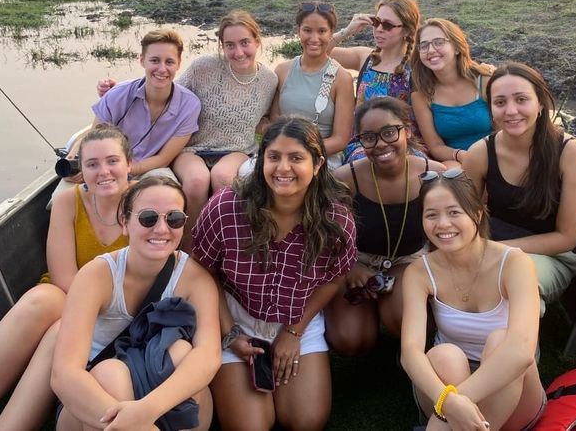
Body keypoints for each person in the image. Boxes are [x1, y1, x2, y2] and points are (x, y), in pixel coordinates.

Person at [0, 125, 132, 430]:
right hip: (67, 295)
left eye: (113, 161)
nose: (104, 172)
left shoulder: (145, 207)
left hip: (119, 307)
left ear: (129, 165)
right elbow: (62, 277)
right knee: (41, 299)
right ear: (81, 171)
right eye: (92, 164)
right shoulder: (68, 201)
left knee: (62, 330)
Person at [193, 116, 357, 431]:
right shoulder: (226, 207)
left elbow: (335, 277)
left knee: (306, 421)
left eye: (296, 158)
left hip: (297, 318)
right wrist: (230, 334)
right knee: (250, 426)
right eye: (273, 157)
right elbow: (201, 271)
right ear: (260, 160)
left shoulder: (336, 218)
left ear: (318, 162)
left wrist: (293, 332)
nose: (283, 168)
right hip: (235, 315)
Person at [51, 175, 220, 431]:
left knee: (183, 354)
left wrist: (146, 411)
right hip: (93, 402)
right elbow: (64, 375)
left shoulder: (195, 279)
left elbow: (208, 356)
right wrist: (136, 426)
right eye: (148, 218)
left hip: (158, 398)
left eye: (174, 218)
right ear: (125, 222)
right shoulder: (96, 275)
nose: (162, 229)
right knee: (111, 374)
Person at [400, 170, 545, 431]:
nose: (442, 224)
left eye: (454, 212)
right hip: (450, 379)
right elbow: (410, 353)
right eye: (431, 215)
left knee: (501, 341)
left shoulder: (515, 263)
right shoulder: (418, 272)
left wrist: (456, 400)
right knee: (444, 355)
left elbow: (521, 352)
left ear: (477, 214)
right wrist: (449, 400)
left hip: (509, 381)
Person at [463, 62, 576, 313]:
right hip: (490, 248)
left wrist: (497, 252)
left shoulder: (571, 153)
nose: (511, 111)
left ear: (541, 104)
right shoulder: (479, 153)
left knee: (512, 284)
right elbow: (465, 216)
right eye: (500, 102)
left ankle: (523, 352)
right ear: (490, 108)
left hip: (549, 257)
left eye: (521, 99)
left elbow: (567, 238)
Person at [325, 97, 446, 355]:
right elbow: (325, 234)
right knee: (351, 341)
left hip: (408, 261)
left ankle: (392, 308)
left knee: (404, 322)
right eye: (369, 137)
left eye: (389, 132)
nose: (381, 144)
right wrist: (349, 268)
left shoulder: (433, 174)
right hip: (356, 261)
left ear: (407, 130)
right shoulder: (346, 178)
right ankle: (364, 311)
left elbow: (448, 233)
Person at [169, 11, 277, 247]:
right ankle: (189, 248)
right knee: (197, 181)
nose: (238, 52)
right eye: (230, 45)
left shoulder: (270, 80)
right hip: (193, 149)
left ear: (257, 41)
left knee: (223, 178)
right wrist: (120, 92)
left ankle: (223, 246)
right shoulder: (203, 67)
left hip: (237, 149)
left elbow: (267, 120)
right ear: (222, 46)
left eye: (245, 43)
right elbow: (167, 94)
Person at [61, 28, 200, 196]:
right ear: (142, 61)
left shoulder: (190, 105)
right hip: (106, 165)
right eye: (155, 60)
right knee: (60, 198)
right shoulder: (118, 94)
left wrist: (124, 170)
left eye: (169, 62)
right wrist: (79, 163)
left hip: (151, 167)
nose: (162, 69)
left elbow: (163, 158)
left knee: (166, 194)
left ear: (178, 63)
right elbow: (94, 134)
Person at [326, 0, 422, 162]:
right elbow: (318, 53)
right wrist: (346, 31)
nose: (379, 29)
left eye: (388, 25)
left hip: (404, 143)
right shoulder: (366, 58)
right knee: (363, 163)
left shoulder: (418, 65)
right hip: (363, 143)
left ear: (406, 30)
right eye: (376, 22)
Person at [271, 2, 355, 167]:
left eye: (322, 31)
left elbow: (340, 139)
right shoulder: (282, 71)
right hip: (282, 153)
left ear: (331, 33)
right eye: (307, 30)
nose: (314, 38)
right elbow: (274, 119)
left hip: (322, 157)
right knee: (246, 172)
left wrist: (302, 153)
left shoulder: (341, 78)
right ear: (298, 31)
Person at [411, 18, 493, 167]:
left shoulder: (485, 81)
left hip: (493, 152)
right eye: (424, 45)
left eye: (439, 42)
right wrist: (462, 155)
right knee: (451, 177)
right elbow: (436, 146)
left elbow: (503, 131)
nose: (430, 50)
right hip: (455, 159)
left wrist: (482, 156)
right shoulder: (421, 95)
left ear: (456, 47)